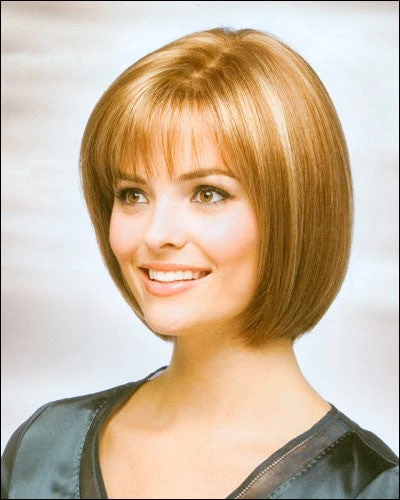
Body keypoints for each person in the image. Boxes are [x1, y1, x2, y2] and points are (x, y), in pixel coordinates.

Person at [1, 26, 398, 500]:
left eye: (208, 194)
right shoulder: (43, 448)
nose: (156, 234)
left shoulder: (367, 488)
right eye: (133, 194)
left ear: (297, 212)